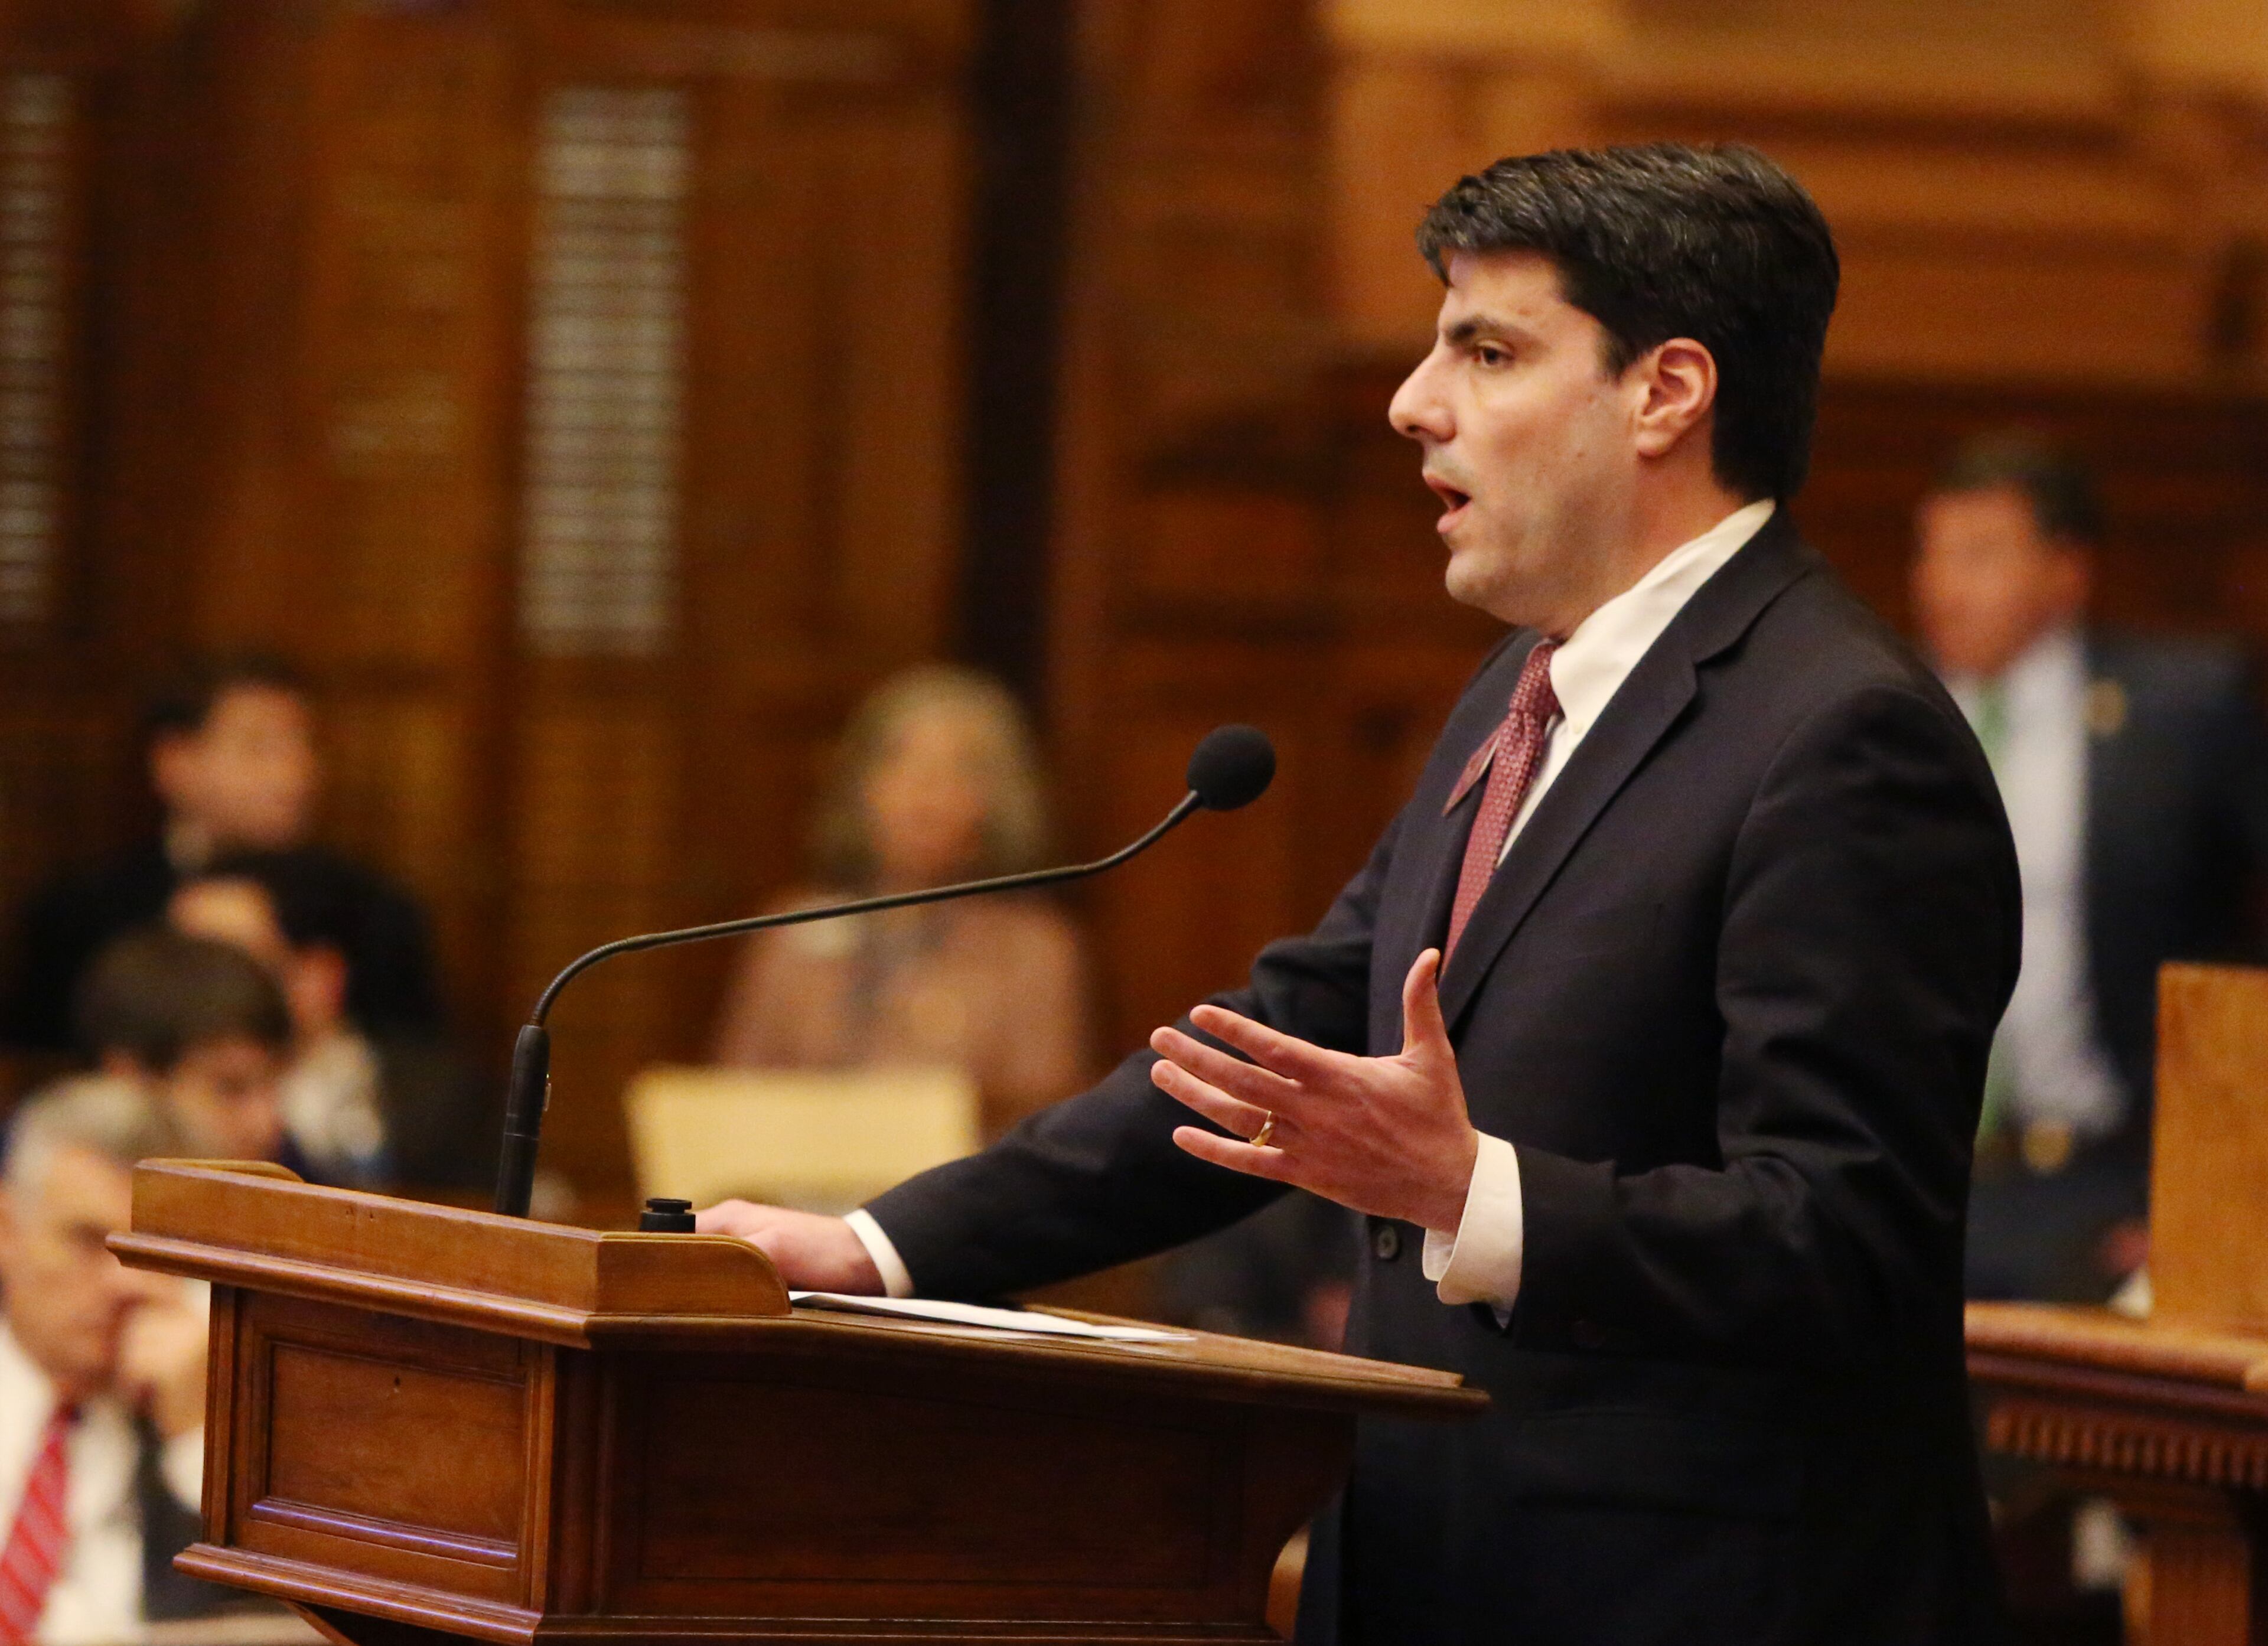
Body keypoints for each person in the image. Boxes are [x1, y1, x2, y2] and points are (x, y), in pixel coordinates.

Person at [700, 144, 2019, 1645]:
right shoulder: (1520, 692)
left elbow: (1840, 1238)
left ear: (1665, 392)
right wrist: (881, 1249)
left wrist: (1474, 1191)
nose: (1413, 400)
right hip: (1416, 1564)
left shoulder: (1843, 736)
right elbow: (1272, 1056)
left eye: (1488, 350)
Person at [1912, 431, 2268, 1303]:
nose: (1943, 584)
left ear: (2066, 572)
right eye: (1933, 552)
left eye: (1982, 553)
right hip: (1920, 1178)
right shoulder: (1882, 712)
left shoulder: (2183, 711)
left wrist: (2206, 1194)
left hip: (2105, 1183)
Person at [711, 665, 1089, 1141]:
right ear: (861, 784)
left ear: (998, 799)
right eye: (901, 760)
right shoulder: (793, 930)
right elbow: (731, 1102)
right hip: (793, 1198)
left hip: (954, 1203)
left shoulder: (1035, 949)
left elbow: (1042, 1123)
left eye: (959, 769)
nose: (924, 792)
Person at [4, 654, 443, 1054]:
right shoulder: (81, 909)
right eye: (258, 747)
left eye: (303, 745)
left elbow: (424, 1077)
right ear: (174, 762)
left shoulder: (374, 910)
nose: (295, 773)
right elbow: (43, 1063)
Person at [0, 1074, 259, 1638]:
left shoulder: (207, 1445)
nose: (125, 1284)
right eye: (88, 1240)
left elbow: (254, 1629)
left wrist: (199, 1437)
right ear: (7, 1230)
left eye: (152, 1254)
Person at [169, 851, 494, 1189]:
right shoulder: (147, 1087)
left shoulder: (438, 1104)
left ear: (318, 977)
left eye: (225, 962)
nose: (185, 985)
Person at [74, 928, 292, 1167]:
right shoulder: (56, 1177)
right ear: (129, 1075)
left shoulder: (303, 1168)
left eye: (277, 1083)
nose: (267, 1125)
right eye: (229, 1088)